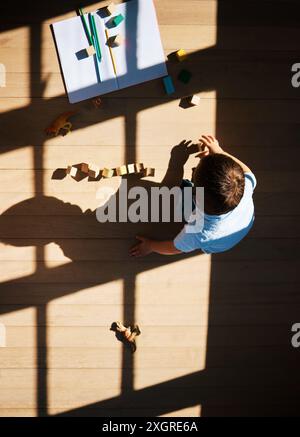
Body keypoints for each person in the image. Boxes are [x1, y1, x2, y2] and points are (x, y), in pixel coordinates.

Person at [130, 135, 256, 256]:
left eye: (195, 172)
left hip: (213, 242)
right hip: (239, 223)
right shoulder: (244, 185)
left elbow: (175, 248)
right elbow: (247, 171)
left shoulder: (199, 232)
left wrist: (150, 246)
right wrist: (218, 151)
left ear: (196, 196)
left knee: (168, 194)